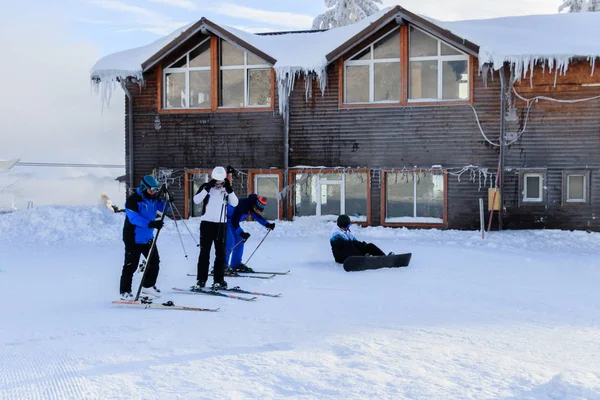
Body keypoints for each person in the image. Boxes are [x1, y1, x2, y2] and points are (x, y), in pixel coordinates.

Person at [119, 175, 169, 300]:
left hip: (147, 237)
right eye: (151, 189)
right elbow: (134, 218)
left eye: (155, 190)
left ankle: (148, 286)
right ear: (144, 187)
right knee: (131, 265)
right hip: (133, 237)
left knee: (154, 262)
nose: (153, 192)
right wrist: (151, 223)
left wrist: (168, 202)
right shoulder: (133, 200)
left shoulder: (153, 199)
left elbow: (163, 208)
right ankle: (125, 291)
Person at [192, 166, 239, 290]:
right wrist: (206, 189)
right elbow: (196, 200)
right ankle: (201, 280)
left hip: (221, 225)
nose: (219, 184)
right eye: (217, 182)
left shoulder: (226, 189)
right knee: (204, 253)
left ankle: (219, 280)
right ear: (213, 179)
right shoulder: (206, 187)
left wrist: (230, 190)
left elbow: (235, 203)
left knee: (220, 254)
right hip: (206, 224)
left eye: (221, 182)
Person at [226, 194, 275, 273]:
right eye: (257, 209)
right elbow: (234, 220)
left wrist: (267, 224)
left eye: (259, 210)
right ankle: (222, 266)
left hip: (231, 223)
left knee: (239, 241)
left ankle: (236, 264)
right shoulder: (242, 205)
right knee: (230, 242)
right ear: (255, 205)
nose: (256, 211)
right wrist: (241, 232)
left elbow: (257, 216)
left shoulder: (251, 205)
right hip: (223, 222)